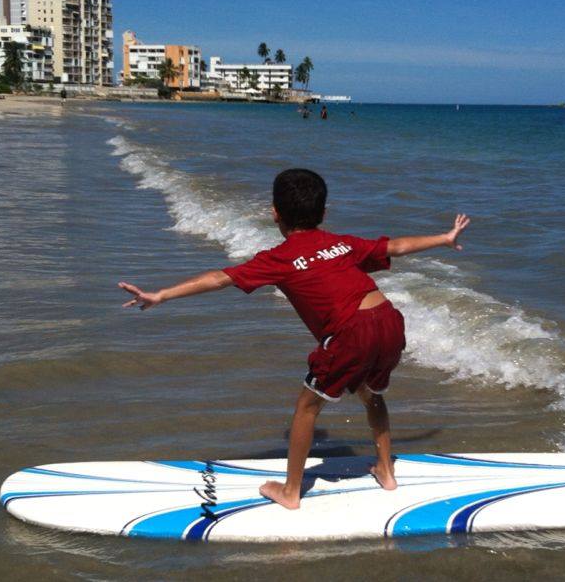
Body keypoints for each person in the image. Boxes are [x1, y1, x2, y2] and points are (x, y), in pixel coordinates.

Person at [118, 169, 470, 509]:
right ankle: (386, 471)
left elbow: (219, 278)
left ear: (275, 213)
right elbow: (396, 246)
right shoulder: (341, 244)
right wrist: (444, 238)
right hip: (389, 321)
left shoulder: (279, 258)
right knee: (370, 392)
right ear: (324, 213)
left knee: (306, 408)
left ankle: (290, 492)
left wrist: (161, 295)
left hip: (351, 332)